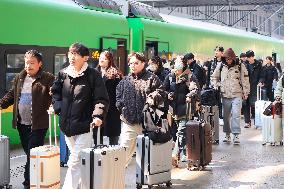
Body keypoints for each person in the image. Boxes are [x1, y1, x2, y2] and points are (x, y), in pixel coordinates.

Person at [51, 43, 109, 189]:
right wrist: (58, 108)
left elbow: (101, 99)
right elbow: (55, 93)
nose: (72, 57)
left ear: (85, 58)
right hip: (67, 126)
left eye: (76, 54)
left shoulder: (93, 75)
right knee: (80, 160)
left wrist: (98, 116)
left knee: (74, 161)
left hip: (85, 126)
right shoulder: (63, 73)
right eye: (70, 53)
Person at [0, 50, 55, 189]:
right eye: (26, 63)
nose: (28, 66)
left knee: (32, 152)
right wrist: (1, 104)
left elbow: (55, 94)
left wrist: (55, 104)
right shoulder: (20, 77)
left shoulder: (48, 78)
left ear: (39, 64)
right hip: (21, 123)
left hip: (38, 123)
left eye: (32, 63)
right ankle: (37, 177)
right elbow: (12, 94)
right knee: (29, 153)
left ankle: (28, 182)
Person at [116, 52, 166, 166]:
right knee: (123, 151)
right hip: (129, 121)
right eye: (131, 63)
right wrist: (122, 107)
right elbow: (118, 95)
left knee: (148, 154)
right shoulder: (125, 80)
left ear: (143, 63)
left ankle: (149, 179)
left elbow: (162, 93)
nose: (132, 65)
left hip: (147, 122)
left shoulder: (152, 78)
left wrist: (154, 97)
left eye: (136, 63)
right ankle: (117, 179)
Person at [163, 56, 199, 166]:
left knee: (181, 131)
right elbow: (163, 89)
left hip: (186, 109)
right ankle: (184, 153)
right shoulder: (170, 76)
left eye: (179, 67)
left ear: (183, 66)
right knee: (180, 132)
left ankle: (175, 154)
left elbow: (195, 89)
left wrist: (189, 95)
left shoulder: (189, 76)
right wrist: (167, 95)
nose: (177, 70)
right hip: (173, 110)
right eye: (176, 67)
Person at [212, 48, 250, 144]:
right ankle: (227, 134)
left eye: (230, 59)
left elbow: (245, 80)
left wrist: (246, 92)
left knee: (236, 115)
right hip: (225, 95)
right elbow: (214, 77)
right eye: (227, 59)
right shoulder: (221, 66)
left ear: (233, 58)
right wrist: (216, 85)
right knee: (226, 116)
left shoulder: (240, 66)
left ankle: (236, 135)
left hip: (237, 94)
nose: (228, 61)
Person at [94, 51, 122, 145]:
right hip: (97, 109)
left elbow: (120, 93)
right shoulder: (94, 73)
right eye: (101, 58)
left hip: (112, 110)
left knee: (113, 137)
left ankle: (113, 157)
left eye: (105, 58)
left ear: (110, 61)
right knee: (97, 136)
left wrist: (119, 107)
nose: (102, 60)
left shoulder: (116, 74)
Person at [242, 50, 264, 128]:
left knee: (255, 105)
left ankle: (256, 122)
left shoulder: (258, 64)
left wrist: (261, 81)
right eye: (247, 57)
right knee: (245, 104)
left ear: (253, 57)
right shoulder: (244, 64)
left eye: (249, 57)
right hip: (246, 87)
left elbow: (262, 75)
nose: (248, 59)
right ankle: (247, 122)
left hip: (255, 87)